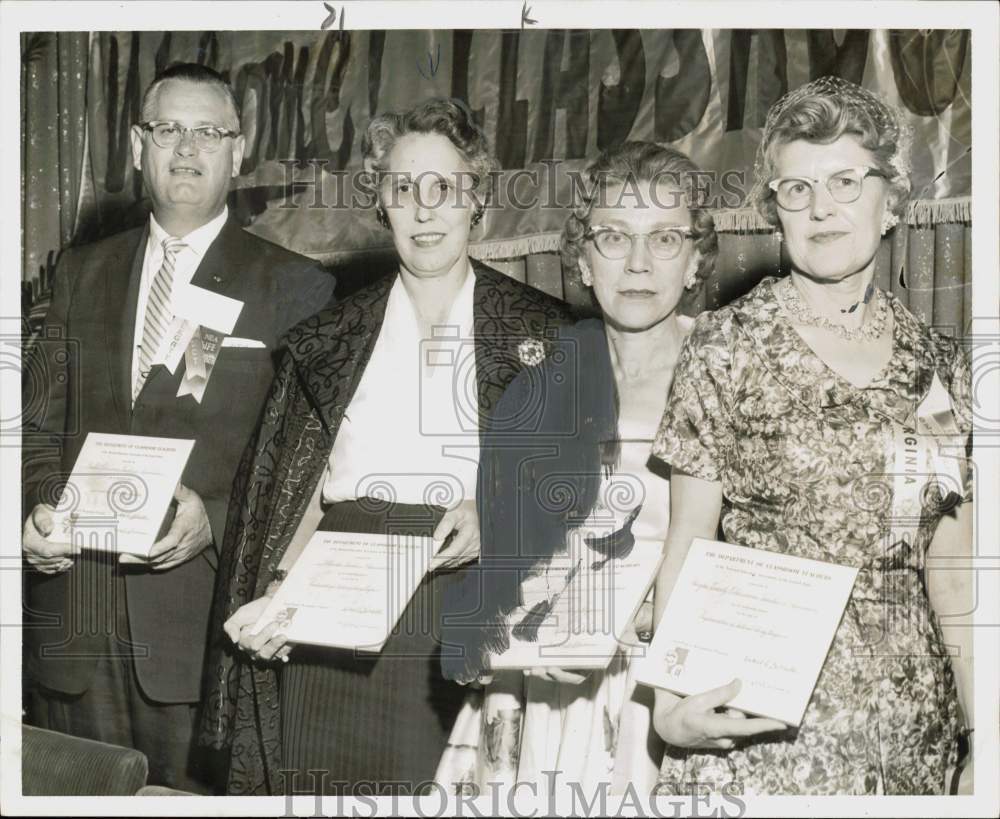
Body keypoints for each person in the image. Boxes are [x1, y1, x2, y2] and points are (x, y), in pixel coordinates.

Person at [200, 97, 574, 796]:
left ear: (477, 199)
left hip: (464, 607)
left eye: (445, 188)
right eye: (404, 189)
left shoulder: (544, 330)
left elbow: (585, 486)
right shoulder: (331, 335)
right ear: (382, 202)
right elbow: (300, 487)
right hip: (336, 606)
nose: (425, 210)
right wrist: (281, 592)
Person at [648, 76, 974, 795]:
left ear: (891, 201)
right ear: (775, 214)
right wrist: (670, 705)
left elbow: (949, 564)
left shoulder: (936, 366)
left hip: (906, 735)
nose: (821, 207)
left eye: (845, 182)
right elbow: (689, 543)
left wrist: (985, 732)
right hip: (756, 734)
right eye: (796, 190)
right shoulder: (724, 345)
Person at [20, 63, 335, 791]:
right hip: (73, 632)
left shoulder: (294, 285)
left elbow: (306, 466)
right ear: (137, 146)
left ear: (239, 151)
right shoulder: (80, 270)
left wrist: (216, 518)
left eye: (209, 132)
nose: (186, 149)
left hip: (201, 641)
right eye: (168, 129)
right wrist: (33, 511)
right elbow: (36, 424)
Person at [436, 142, 718, 796]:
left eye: (666, 238)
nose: (639, 263)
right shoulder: (541, 381)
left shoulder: (731, 370)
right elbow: (501, 566)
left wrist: (643, 618)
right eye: (614, 237)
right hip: (535, 682)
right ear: (583, 260)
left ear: (698, 256)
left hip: (663, 677)